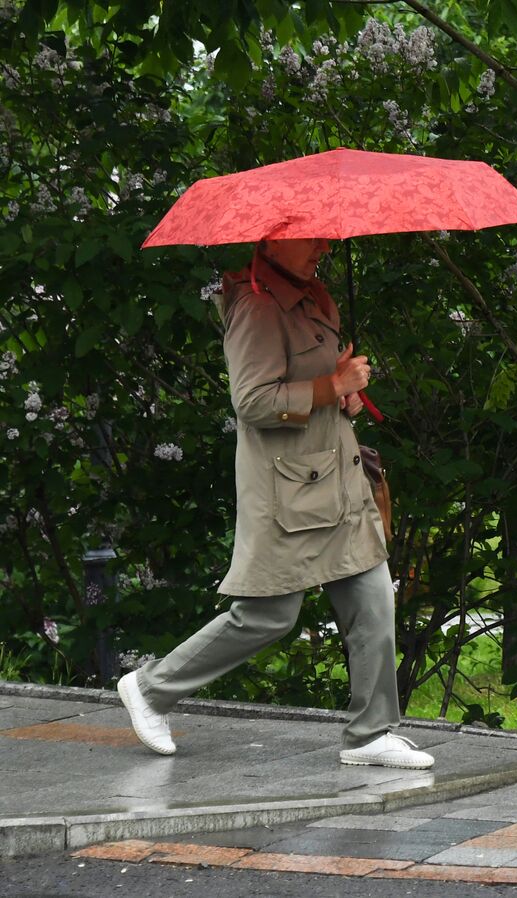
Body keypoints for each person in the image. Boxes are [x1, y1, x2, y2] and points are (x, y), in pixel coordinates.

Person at [117, 237, 434, 770]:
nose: (323, 247)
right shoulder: (256, 307)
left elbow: (321, 389)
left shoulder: (317, 297)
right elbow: (254, 401)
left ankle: (370, 735)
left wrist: (345, 396)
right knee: (268, 615)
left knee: (375, 599)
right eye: (311, 238)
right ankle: (151, 689)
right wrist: (331, 385)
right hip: (287, 492)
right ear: (275, 240)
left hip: (337, 479)